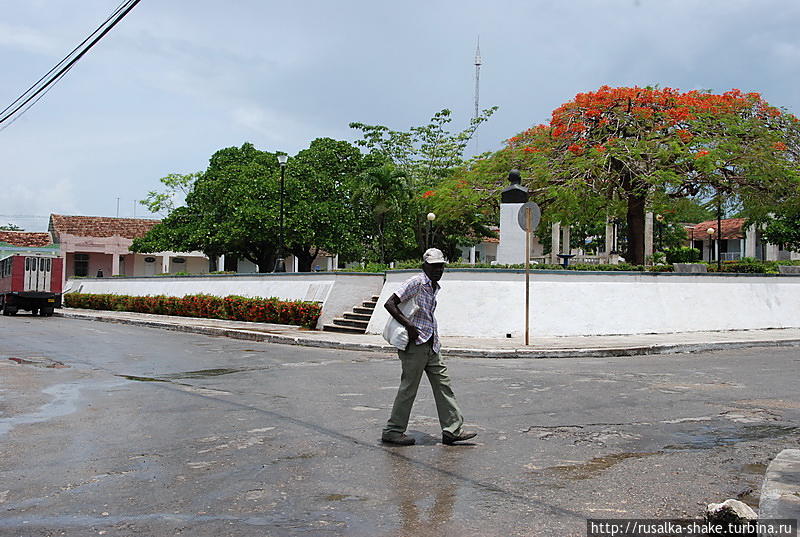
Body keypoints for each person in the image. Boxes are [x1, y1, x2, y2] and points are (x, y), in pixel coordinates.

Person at [381, 248, 477, 446]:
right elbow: (390, 303)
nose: (438, 270)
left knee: (444, 385)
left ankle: (452, 430)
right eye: (434, 266)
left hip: (432, 343)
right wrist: (409, 325)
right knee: (409, 388)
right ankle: (393, 431)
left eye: (440, 266)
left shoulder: (434, 286)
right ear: (424, 266)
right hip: (415, 344)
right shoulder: (416, 282)